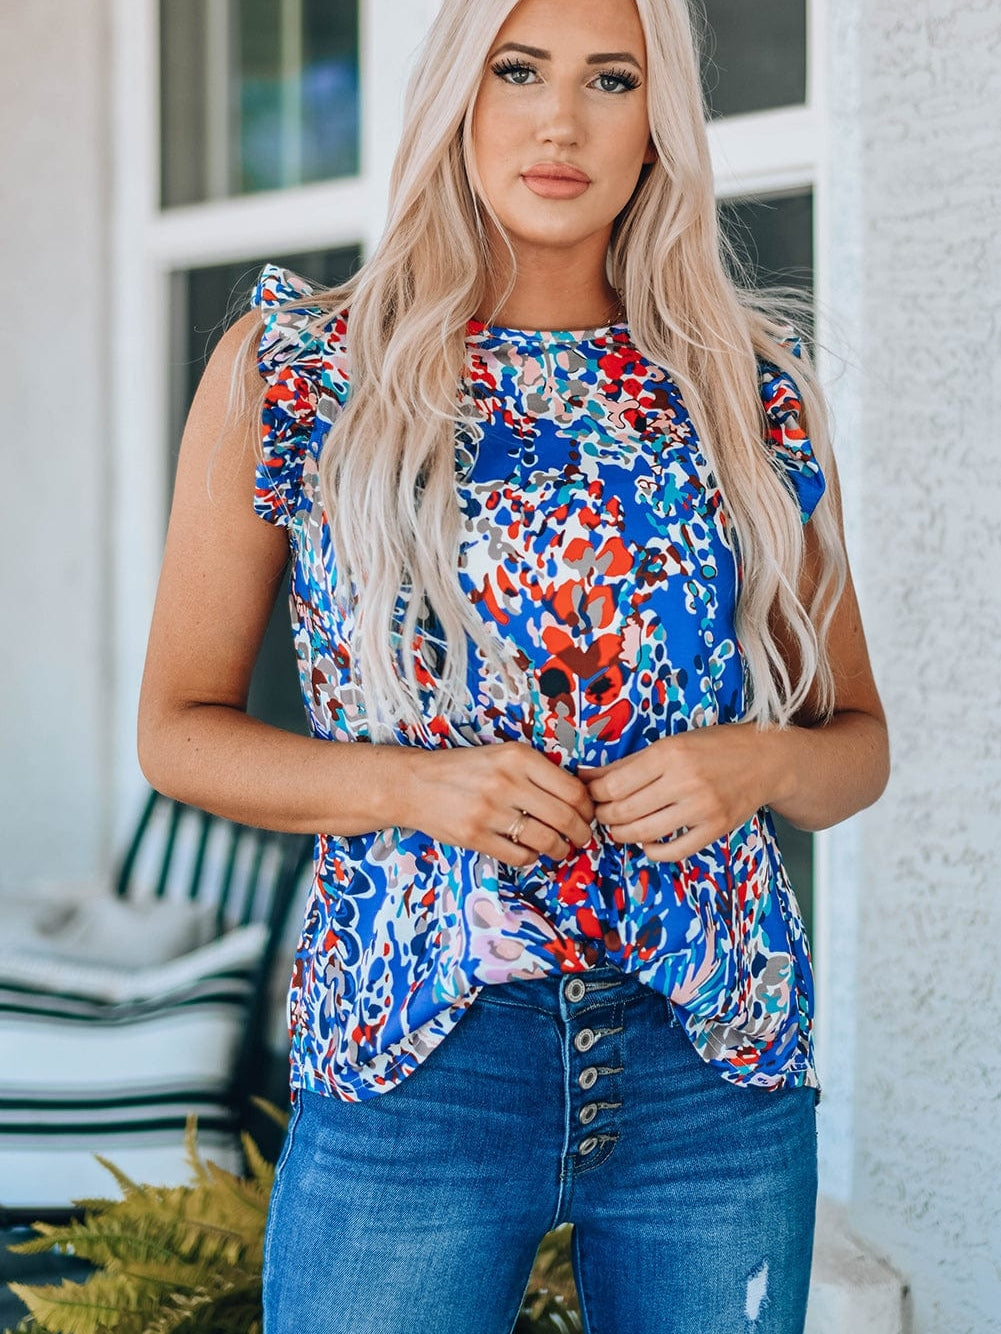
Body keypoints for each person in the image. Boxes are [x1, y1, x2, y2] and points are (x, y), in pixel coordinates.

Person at [138, 0, 889, 1329]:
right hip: (412, 1054)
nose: (560, 120)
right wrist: (415, 791)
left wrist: (755, 761)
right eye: (518, 70)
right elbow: (179, 732)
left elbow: (854, 749)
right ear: (457, 95)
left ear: (655, 124)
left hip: (709, 1064)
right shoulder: (304, 371)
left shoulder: (744, 388)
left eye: (610, 79)